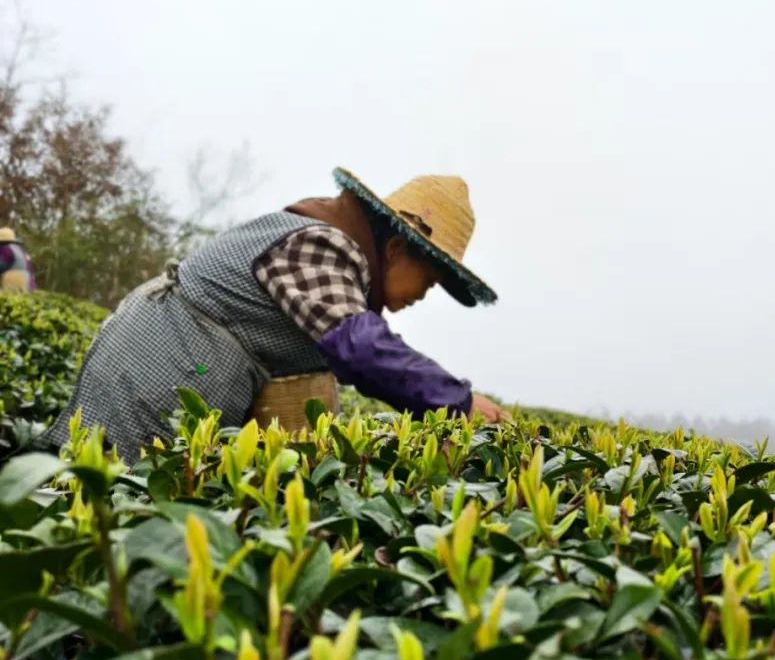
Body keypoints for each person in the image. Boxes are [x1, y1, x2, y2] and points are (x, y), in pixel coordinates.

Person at [42, 167, 510, 462]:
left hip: (179, 367)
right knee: (100, 500)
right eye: (428, 282)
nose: (423, 296)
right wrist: (459, 403)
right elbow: (362, 349)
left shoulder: (338, 262)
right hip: (158, 367)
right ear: (396, 248)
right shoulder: (322, 244)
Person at [0, 227, 37, 292]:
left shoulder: (5, 249)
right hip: (29, 284)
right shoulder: (21, 250)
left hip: (14, 284)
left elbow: (2, 266)